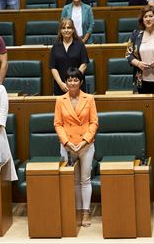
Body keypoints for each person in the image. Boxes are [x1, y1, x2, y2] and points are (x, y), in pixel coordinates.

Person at [53, 67, 98, 227]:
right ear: (65, 82)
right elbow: (58, 124)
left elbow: (94, 122)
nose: (72, 82)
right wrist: (66, 142)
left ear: (81, 82)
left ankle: (85, 212)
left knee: (85, 180)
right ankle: (76, 211)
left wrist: (85, 141)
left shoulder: (89, 99)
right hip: (67, 146)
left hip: (85, 145)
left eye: (75, 80)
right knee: (72, 180)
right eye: (69, 80)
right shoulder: (60, 100)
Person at [49, 19, 90, 95]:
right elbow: (53, 67)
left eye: (69, 28)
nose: (66, 30)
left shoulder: (80, 45)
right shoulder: (55, 46)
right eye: (63, 28)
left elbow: (84, 64)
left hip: (78, 87)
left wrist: (74, 82)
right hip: (61, 87)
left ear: (73, 30)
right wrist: (61, 83)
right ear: (60, 31)